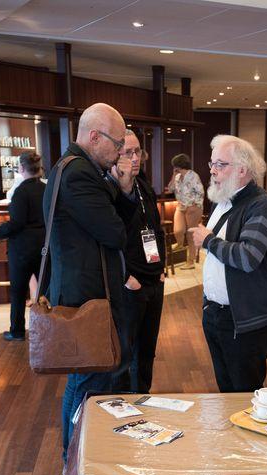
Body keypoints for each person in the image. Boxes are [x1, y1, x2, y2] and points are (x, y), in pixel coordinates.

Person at [42, 102, 132, 460]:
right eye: (117, 143)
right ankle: (75, 458)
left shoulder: (74, 168)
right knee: (87, 384)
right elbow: (114, 233)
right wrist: (122, 193)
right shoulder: (79, 173)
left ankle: (76, 455)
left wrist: (116, 193)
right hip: (86, 299)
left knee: (84, 381)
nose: (120, 152)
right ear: (94, 136)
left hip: (83, 293)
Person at [189, 134, 267, 393]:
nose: (212, 170)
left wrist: (208, 241)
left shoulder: (262, 205)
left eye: (220, 164)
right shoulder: (224, 199)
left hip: (245, 319)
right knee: (226, 390)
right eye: (211, 164)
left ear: (242, 170)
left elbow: (247, 257)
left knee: (244, 395)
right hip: (215, 314)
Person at [109, 130, 166, 393]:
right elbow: (112, 237)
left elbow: (154, 227)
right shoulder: (110, 188)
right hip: (131, 282)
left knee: (147, 351)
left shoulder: (143, 184)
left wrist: (161, 266)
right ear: (115, 155)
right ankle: (122, 406)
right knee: (125, 351)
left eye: (138, 152)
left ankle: (143, 399)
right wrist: (126, 277)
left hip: (154, 278)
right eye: (128, 153)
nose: (135, 158)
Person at [0, 151, 46, 341]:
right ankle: (51, 326)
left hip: (22, 250)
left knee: (18, 291)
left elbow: (15, 224)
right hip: (44, 248)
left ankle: (17, 331)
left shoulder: (20, 192)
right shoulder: (45, 190)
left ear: (21, 168)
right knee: (47, 289)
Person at [165, 154, 204, 269]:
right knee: (178, 230)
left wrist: (193, 205)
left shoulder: (193, 176)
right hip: (181, 206)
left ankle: (190, 261)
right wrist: (173, 175)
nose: (174, 168)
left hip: (193, 208)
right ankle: (180, 244)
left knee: (190, 234)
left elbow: (201, 192)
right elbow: (170, 188)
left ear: (179, 165)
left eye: (175, 166)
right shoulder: (177, 177)